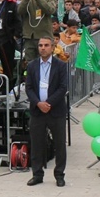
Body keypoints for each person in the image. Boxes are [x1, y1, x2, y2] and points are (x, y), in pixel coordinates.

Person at [24, 35, 70, 187]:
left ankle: (59, 175)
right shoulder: (32, 66)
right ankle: (37, 174)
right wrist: (38, 103)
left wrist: (48, 103)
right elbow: (29, 87)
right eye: (40, 45)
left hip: (55, 110)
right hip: (37, 111)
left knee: (59, 144)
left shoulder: (60, 65)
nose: (42, 48)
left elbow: (63, 87)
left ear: (52, 47)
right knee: (37, 143)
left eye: (46, 45)